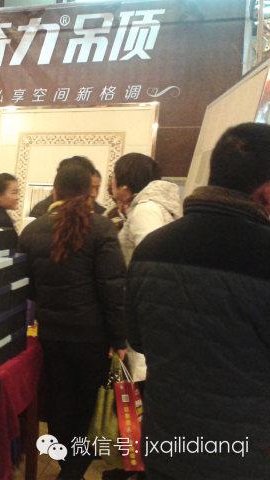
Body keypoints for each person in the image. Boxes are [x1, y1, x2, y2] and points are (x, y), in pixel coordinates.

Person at [126, 123, 270, 480]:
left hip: (167, 444)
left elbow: (137, 339)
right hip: (245, 456)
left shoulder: (151, 248)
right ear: (266, 193)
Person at [18, 163, 126, 480]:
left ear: (56, 191)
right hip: (92, 336)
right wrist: (119, 338)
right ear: (87, 192)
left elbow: (28, 289)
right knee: (86, 403)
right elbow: (112, 288)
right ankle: (74, 469)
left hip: (50, 333)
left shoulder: (32, 231)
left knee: (59, 399)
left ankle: (67, 463)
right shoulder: (101, 228)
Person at [111, 153, 181, 387]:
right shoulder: (151, 207)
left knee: (141, 375)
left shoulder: (145, 210)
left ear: (125, 185)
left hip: (144, 309)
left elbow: (151, 261)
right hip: (150, 307)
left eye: (114, 177)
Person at [30, 156, 106, 218]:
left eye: (97, 188)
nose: (93, 194)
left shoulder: (102, 213)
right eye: (90, 187)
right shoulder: (40, 211)